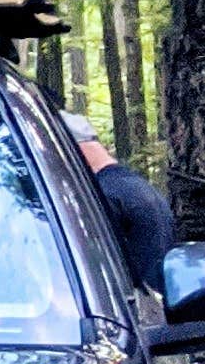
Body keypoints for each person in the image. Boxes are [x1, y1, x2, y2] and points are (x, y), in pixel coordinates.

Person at [68, 116, 176, 293]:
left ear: (74, 149)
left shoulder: (103, 196)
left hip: (132, 308)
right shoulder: (137, 185)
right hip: (156, 305)